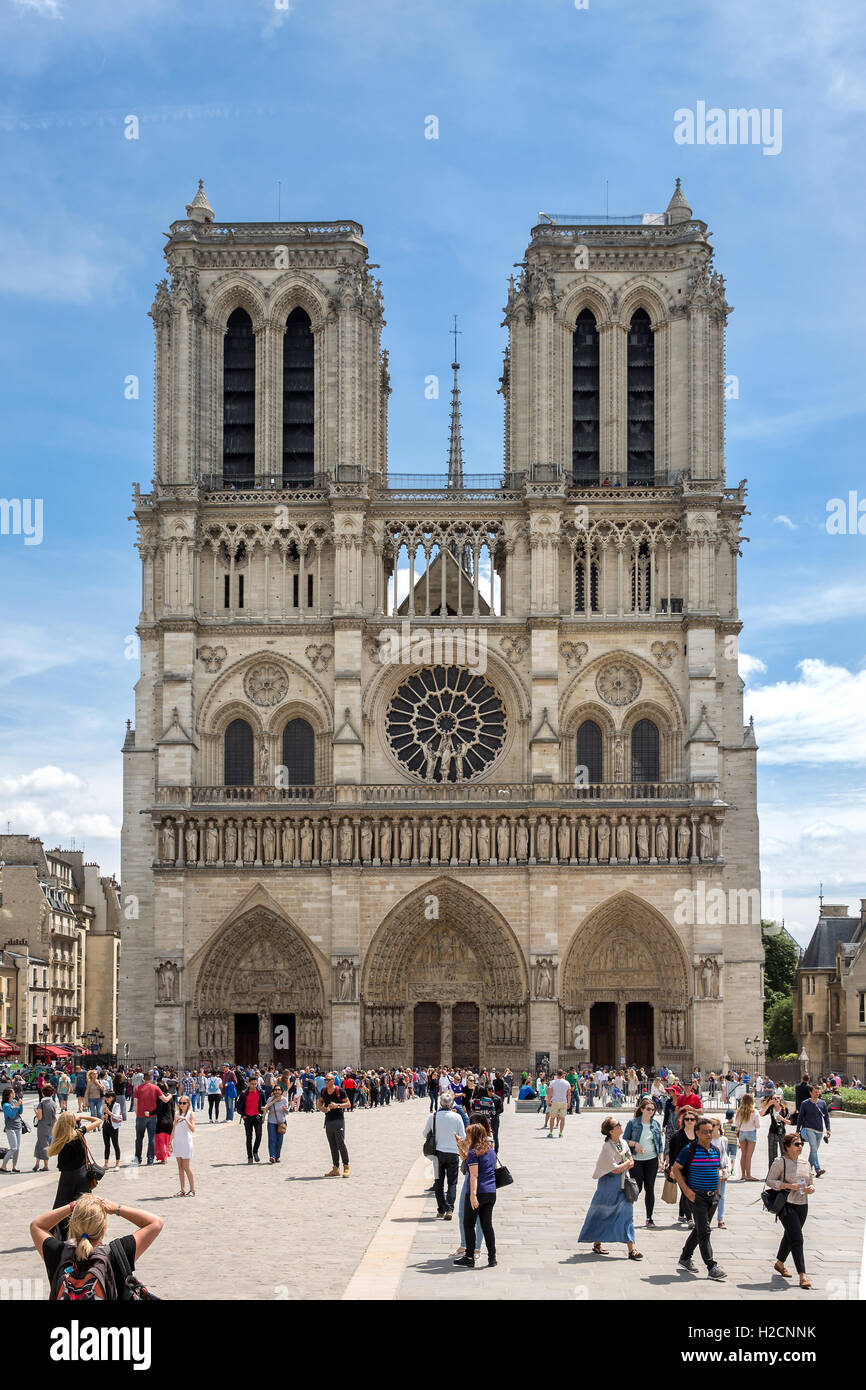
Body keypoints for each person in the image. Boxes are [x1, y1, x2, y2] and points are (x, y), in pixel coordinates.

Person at [31, 1191, 163, 1299]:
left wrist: (72, 1206)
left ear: (72, 1225)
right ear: (103, 1228)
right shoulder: (117, 1253)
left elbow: (37, 1225)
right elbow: (155, 1223)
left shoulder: (59, 1254)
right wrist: (116, 1208)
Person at [578, 1117, 642, 1259]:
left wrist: (625, 1164)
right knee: (602, 1213)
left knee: (627, 1215)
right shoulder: (607, 1147)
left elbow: (630, 1160)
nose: (621, 1125)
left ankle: (632, 1249)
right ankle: (597, 1243)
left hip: (623, 1184)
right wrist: (626, 1164)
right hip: (608, 1185)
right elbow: (614, 1169)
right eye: (617, 1124)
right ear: (612, 1131)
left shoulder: (623, 1142)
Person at [673, 1115, 726, 1280]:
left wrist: (718, 1194)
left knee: (700, 1229)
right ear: (697, 1133)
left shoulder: (715, 1150)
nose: (709, 1135)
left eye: (711, 1131)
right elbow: (676, 1169)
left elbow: (717, 1173)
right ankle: (711, 1266)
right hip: (697, 1196)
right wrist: (687, 1191)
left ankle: (685, 1257)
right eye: (705, 1132)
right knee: (705, 1231)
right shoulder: (689, 1150)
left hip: (713, 1197)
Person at [766, 1130, 814, 1289]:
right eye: (797, 1144)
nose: (800, 1147)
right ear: (787, 1146)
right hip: (786, 1204)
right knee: (797, 1238)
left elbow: (810, 1181)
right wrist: (787, 1185)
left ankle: (780, 1263)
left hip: (802, 1204)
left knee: (790, 1234)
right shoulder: (780, 1162)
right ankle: (803, 1275)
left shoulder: (805, 1162)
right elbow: (770, 1181)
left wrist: (811, 1188)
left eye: (801, 1144)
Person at [47, 1110, 102, 1240]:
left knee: (61, 1205)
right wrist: (82, 1116)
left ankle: (58, 1232)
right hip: (81, 1175)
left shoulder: (59, 1138)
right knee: (82, 1206)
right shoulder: (78, 1133)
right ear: (73, 1122)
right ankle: (84, 1231)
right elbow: (98, 1121)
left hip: (66, 1176)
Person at [452, 1122, 498, 1268]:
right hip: (491, 1192)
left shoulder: (474, 1153)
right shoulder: (490, 1149)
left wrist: (473, 1195)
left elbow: (473, 1176)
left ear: (474, 1136)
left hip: (478, 1192)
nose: (467, 1137)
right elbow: (492, 1167)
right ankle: (492, 1258)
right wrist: (460, 1146)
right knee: (487, 1225)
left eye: (469, 1135)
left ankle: (469, 1257)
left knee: (468, 1224)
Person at [423, 1090, 465, 1219]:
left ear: (440, 1103)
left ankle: (441, 1209)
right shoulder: (457, 1117)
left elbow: (425, 1134)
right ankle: (450, 1209)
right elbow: (463, 1136)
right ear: (451, 1103)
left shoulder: (433, 1116)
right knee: (452, 1183)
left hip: (438, 1154)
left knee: (439, 1182)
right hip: (453, 1153)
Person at [623, 1097, 664, 1227]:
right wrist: (635, 1144)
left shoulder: (656, 1124)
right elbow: (624, 1140)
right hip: (636, 1160)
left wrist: (661, 1160)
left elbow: (660, 1144)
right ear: (642, 1109)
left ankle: (649, 1217)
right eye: (648, 1109)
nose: (651, 1111)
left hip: (652, 1160)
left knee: (650, 1188)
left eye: (653, 1109)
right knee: (637, 1188)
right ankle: (625, 1213)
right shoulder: (633, 1123)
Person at [133, 1072, 169, 1166]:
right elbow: (164, 1099)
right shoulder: (155, 1088)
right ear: (151, 1078)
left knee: (139, 1138)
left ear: (143, 1079)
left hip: (140, 1116)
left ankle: (138, 1159)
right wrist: (171, 1095)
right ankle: (150, 1159)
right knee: (151, 1138)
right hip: (152, 1117)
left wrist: (137, 1114)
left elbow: (135, 1104)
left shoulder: (137, 1088)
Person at [795, 1084, 831, 1178]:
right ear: (810, 1092)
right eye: (815, 1092)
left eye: (818, 1092)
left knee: (813, 1150)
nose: (817, 1093)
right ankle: (818, 1168)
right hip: (808, 1128)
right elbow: (800, 1117)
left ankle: (807, 1170)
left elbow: (826, 1117)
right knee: (814, 1148)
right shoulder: (805, 1103)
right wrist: (797, 1130)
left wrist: (828, 1129)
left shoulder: (822, 1103)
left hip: (820, 1130)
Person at [319, 1073, 350, 1177]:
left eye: (328, 1080)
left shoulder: (340, 1091)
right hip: (328, 1121)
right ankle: (335, 1168)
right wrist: (321, 1107)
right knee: (332, 1145)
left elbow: (348, 1104)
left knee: (341, 1144)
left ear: (333, 1080)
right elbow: (320, 1102)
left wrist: (337, 1105)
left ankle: (346, 1167)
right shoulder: (323, 1091)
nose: (326, 1081)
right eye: (325, 1080)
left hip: (338, 1120)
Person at [171, 1093, 196, 1195]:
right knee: (180, 1167)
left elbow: (193, 1129)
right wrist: (170, 1142)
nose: (181, 1105)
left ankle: (193, 1189)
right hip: (177, 1142)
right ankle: (183, 1189)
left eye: (184, 1103)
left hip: (186, 1142)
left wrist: (186, 1120)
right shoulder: (176, 1113)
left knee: (186, 1167)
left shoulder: (190, 1114)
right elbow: (174, 1128)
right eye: (180, 1103)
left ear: (188, 1104)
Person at [762, 1092, 794, 1169]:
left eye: (778, 1098)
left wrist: (782, 1119)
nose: (777, 1100)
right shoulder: (770, 1109)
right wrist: (768, 1104)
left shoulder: (784, 1109)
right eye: (774, 1098)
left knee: (784, 1153)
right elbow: (761, 1114)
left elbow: (790, 1122)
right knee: (772, 1154)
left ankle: (784, 1171)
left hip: (782, 1133)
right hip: (772, 1132)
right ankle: (772, 1172)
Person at [238, 1075, 265, 1164]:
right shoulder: (244, 1093)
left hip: (257, 1117)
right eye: (252, 1084)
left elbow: (263, 1105)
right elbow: (238, 1106)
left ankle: (255, 1151)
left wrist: (262, 1113)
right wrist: (243, 1115)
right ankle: (250, 1156)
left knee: (259, 1136)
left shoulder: (261, 1092)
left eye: (255, 1084)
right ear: (248, 1083)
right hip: (247, 1118)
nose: (254, 1086)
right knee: (249, 1138)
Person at [734, 1094, 759, 1180]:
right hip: (751, 1132)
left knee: (743, 1155)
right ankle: (749, 1175)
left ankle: (743, 1175)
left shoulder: (739, 1111)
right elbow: (758, 1125)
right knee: (749, 1156)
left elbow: (736, 1124)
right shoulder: (754, 1111)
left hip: (742, 1133)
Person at [33, 1084, 57, 1172]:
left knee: (43, 1146)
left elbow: (39, 1117)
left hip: (42, 1127)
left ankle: (46, 1165)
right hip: (50, 1127)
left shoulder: (41, 1104)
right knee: (39, 1144)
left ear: (43, 1093)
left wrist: (35, 1110)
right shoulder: (53, 1103)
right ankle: (37, 1163)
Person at [264, 1084, 290, 1164]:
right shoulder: (270, 1099)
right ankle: (272, 1156)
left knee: (279, 1140)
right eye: (275, 1090)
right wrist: (265, 1110)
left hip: (281, 1123)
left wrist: (285, 1109)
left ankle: (277, 1156)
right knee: (272, 1139)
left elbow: (287, 1112)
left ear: (281, 1091)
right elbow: (266, 1109)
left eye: (279, 1090)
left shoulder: (284, 1100)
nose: (277, 1091)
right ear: (273, 1091)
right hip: (271, 1122)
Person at [1, 1086, 24, 1173]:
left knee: (17, 1148)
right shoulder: (5, 1105)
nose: (15, 1093)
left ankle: (14, 1166)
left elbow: (20, 1112)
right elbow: (11, 1115)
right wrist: (17, 1106)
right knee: (13, 1148)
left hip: (18, 1126)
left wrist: (20, 1105)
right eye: (13, 1092)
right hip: (10, 1128)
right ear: (9, 1094)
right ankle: (3, 1165)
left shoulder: (14, 1101)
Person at [101, 1091, 123, 1170]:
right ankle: (106, 1164)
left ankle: (117, 1164)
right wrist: (104, 1116)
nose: (107, 1099)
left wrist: (109, 1113)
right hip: (106, 1127)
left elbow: (117, 1116)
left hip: (113, 1127)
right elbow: (102, 1116)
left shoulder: (116, 1105)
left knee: (115, 1145)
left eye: (109, 1097)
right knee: (107, 1145)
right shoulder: (105, 1105)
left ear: (113, 1098)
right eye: (106, 1097)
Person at [546, 1070, 571, 1139]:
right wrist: (569, 1103)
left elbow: (550, 1093)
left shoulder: (552, 1082)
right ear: (563, 1074)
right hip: (563, 1102)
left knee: (552, 1118)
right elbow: (569, 1094)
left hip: (555, 1101)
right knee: (562, 1118)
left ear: (556, 1075)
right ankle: (560, 1133)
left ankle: (551, 1133)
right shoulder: (567, 1083)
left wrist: (548, 1101)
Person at [155, 1087, 175, 1163]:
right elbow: (173, 1109)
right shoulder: (170, 1097)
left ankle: (163, 1158)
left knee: (161, 1140)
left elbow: (158, 1110)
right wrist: (172, 1120)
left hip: (161, 1121)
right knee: (167, 1140)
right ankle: (166, 1155)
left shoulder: (159, 1098)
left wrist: (150, 1113)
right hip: (169, 1120)